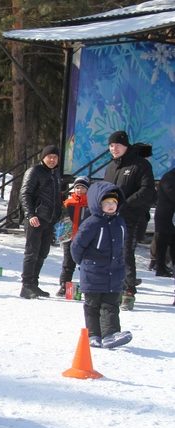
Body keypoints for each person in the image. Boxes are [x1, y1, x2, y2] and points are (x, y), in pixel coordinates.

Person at [71, 181, 133, 349]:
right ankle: (93, 334)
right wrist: (84, 263)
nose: (111, 206)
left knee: (111, 304)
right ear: (98, 204)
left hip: (114, 273)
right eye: (106, 203)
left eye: (113, 203)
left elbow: (122, 245)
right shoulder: (92, 223)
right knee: (92, 305)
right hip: (93, 272)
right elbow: (76, 247)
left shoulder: (119, 222)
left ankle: (110, 334)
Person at [102, 130, 156, 310]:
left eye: (117, 145)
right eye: (110, 145)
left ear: (126, 145)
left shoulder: (140, 165)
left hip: (131, 218)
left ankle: (128, 290)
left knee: (125, 253)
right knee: (110, 253)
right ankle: (114, 288)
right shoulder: (111, 166)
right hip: (110, 218)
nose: (113, 148)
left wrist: (124, 204)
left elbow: (147, 191)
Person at [19, 144, 62, 299]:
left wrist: (58, 216)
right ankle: (26, 285)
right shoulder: (34, 171)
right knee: (32, 252)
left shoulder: (54, 174)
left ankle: (34, 284)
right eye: (49, 156)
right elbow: (25, 194)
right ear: (43, 157)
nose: (52, 160)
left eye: (55, 157)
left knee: (43, 252)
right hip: (35, 218)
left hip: (48, 220)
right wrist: (30, 214)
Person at [56, 176, 91, 296]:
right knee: (67, 263)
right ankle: (64, 285)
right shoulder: (68, 203)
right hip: (69, 238)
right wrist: (62, 236)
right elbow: (62, 220)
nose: (79, 190)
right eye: (77, 187)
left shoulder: (91, 204)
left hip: (85, 239)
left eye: (83, 188)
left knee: (86, 265)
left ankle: (88, 287)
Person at [152, 168, 175, 278]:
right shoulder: (169, 177)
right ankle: (160, 267)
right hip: (165, 215)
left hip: (170, 216)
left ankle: (164, 267)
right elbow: (171, 193)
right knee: (162, 243)